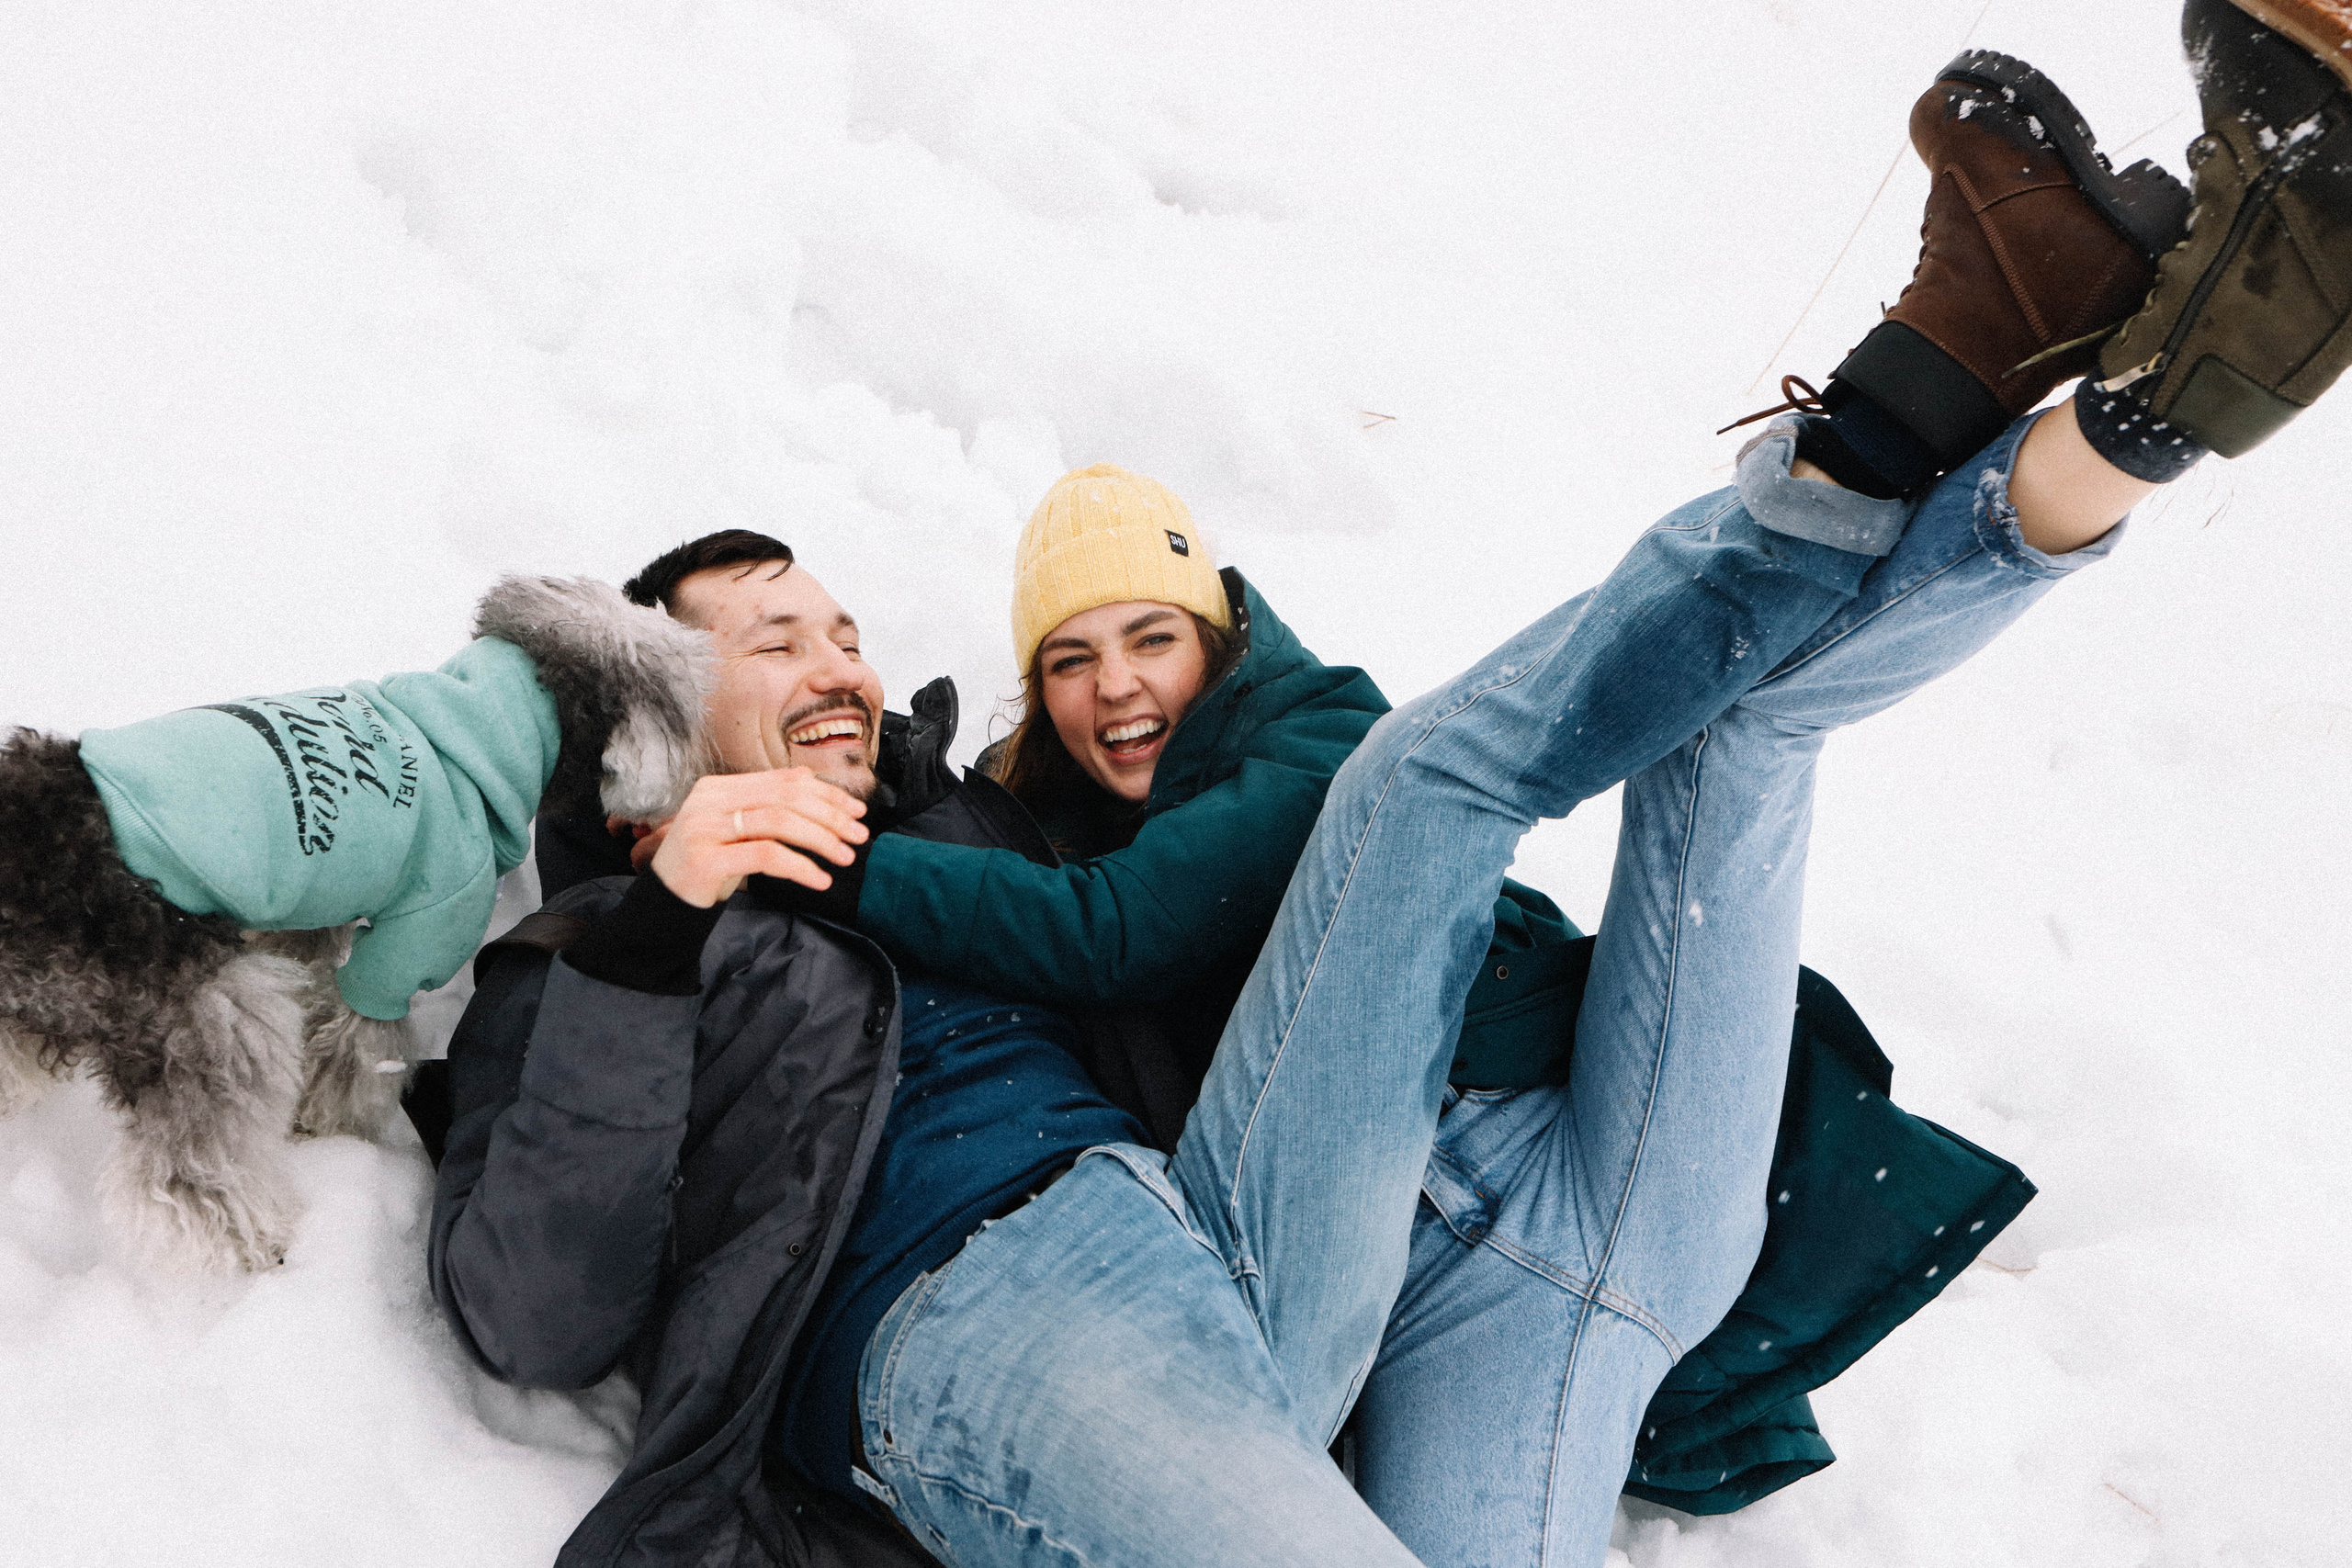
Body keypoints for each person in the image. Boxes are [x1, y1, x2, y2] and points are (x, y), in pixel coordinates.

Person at [429, 8, 2352, 1566]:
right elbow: (534, 1302)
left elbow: (1142, 913)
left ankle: (2052, 401)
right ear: (652, 735)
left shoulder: (1023, 808)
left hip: (1267, 1244)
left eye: (843, 622)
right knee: (1628, 750)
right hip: (1013, 1314)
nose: (839, 658)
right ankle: (1995, 399)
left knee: (1477, 764)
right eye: (771, 639)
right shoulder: (610, 943)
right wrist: (665, 916)